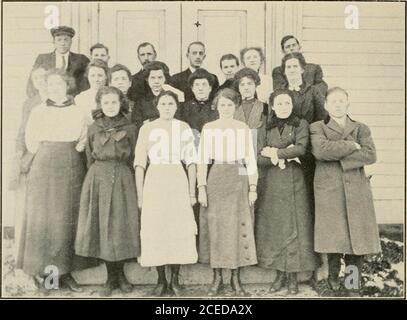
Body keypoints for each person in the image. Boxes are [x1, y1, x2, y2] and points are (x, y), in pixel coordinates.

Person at [16, 70, 88, 294]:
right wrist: (47, 152)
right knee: (46, 219)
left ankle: (65, 274)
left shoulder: (78, 111)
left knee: (66, 219)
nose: (56, 88)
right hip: (44, 165)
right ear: (46, 87)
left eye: (60, 84)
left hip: (70, 164)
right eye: (51, 85)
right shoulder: (38, 111)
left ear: (68, 86)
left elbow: (82, 140)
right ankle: (48, 277)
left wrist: (70, 153)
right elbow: (31, 141)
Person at [310, 87, 381, 296]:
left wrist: (340, 155)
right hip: (330, 189)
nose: (338, 105)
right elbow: (321, 151)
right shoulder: (317, 127)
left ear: (348, 104)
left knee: (355, 241)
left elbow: (370, 155)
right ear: (326, 105)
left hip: (357, 190)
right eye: (333, 101)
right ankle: (333, 277)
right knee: (334, 237)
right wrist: (352, 145)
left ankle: (352, 284)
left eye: (342, 101)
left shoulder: (361, 127)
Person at [75, 86, 140, 297]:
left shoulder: (130, 127)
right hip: (99, 178)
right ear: (100, 105)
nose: (110, 106)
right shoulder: (94, 127)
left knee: (121, 226)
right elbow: (88, 157)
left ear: (120, 103)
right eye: (106, 103)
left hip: (122, 177)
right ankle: (109, 277)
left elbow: (134, 157)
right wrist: (95, 178)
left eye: (114, 102)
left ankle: (120, 274)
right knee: (102, 226)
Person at [134, 91, 198, 296]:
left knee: (178, 228)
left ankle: (176, 281)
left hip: (177, 179)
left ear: (176, 106)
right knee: (157, 228)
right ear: (157, 106)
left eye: (171, 103)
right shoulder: (147, 128)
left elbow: (191, 162)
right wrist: (140, 194)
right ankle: (161, 280)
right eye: (163, 103)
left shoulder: (183, 127)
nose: (167, 107)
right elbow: (139, 163)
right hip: (155, 180)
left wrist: (191, 192)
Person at [255, 89, 319, 295]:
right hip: (272, 182)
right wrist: (283, 155)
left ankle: (293, 277)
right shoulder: (264, 126)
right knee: (276, 226)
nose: (284, 107)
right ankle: (279, 274)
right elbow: (258, 156)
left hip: (295, 180)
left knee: (295, 225)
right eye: (279, 104)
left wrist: (274, 152)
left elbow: (301, 149)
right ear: (272, 106)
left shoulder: (301, 124)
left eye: (287, 103)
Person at [197, 88, 258, 296]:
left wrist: (251, 187)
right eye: (222, 105)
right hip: (216, 176)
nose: (225, 109)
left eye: (230, 105)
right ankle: (216, 279)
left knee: (235, 227)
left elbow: (249, 159)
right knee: (216, 228)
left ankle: (235, 279)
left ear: (236, 106)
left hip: (238, 177)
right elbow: (203, 160)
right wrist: (202, 188)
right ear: (216, 106)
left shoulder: (243, 128)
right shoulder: (209, 128)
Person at [26, 26, 90, 98]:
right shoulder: (43, 59)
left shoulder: (81, 59)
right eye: (59, 40)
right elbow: (32, 84)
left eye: (66, 40)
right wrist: (39, 100)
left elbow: (87, 83)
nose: (63, 43)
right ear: (54, 42)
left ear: (71, 41)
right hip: (48, 101)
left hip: (73, 101)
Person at [132, 61, 184, 126]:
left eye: (160, 77)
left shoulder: (173, 98)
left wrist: (150, 121)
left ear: (165, 79)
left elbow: (180, 120)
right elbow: (136, 124)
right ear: (147, 79)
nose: (156, 81)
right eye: (152, 78)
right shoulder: (141, 102)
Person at [176, 68, 218, 136]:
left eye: (204, 84)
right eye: (197, 85)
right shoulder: (184, 108)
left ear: (210, 88)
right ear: (192, 88)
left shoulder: (217, 107)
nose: (200, 88)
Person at [75, 59, 109, 125]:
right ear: (87, 77)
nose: (96, 79)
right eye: (92, 76)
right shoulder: (80, 98)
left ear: (106, 76)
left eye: (100, 75)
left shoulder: (113, 95)